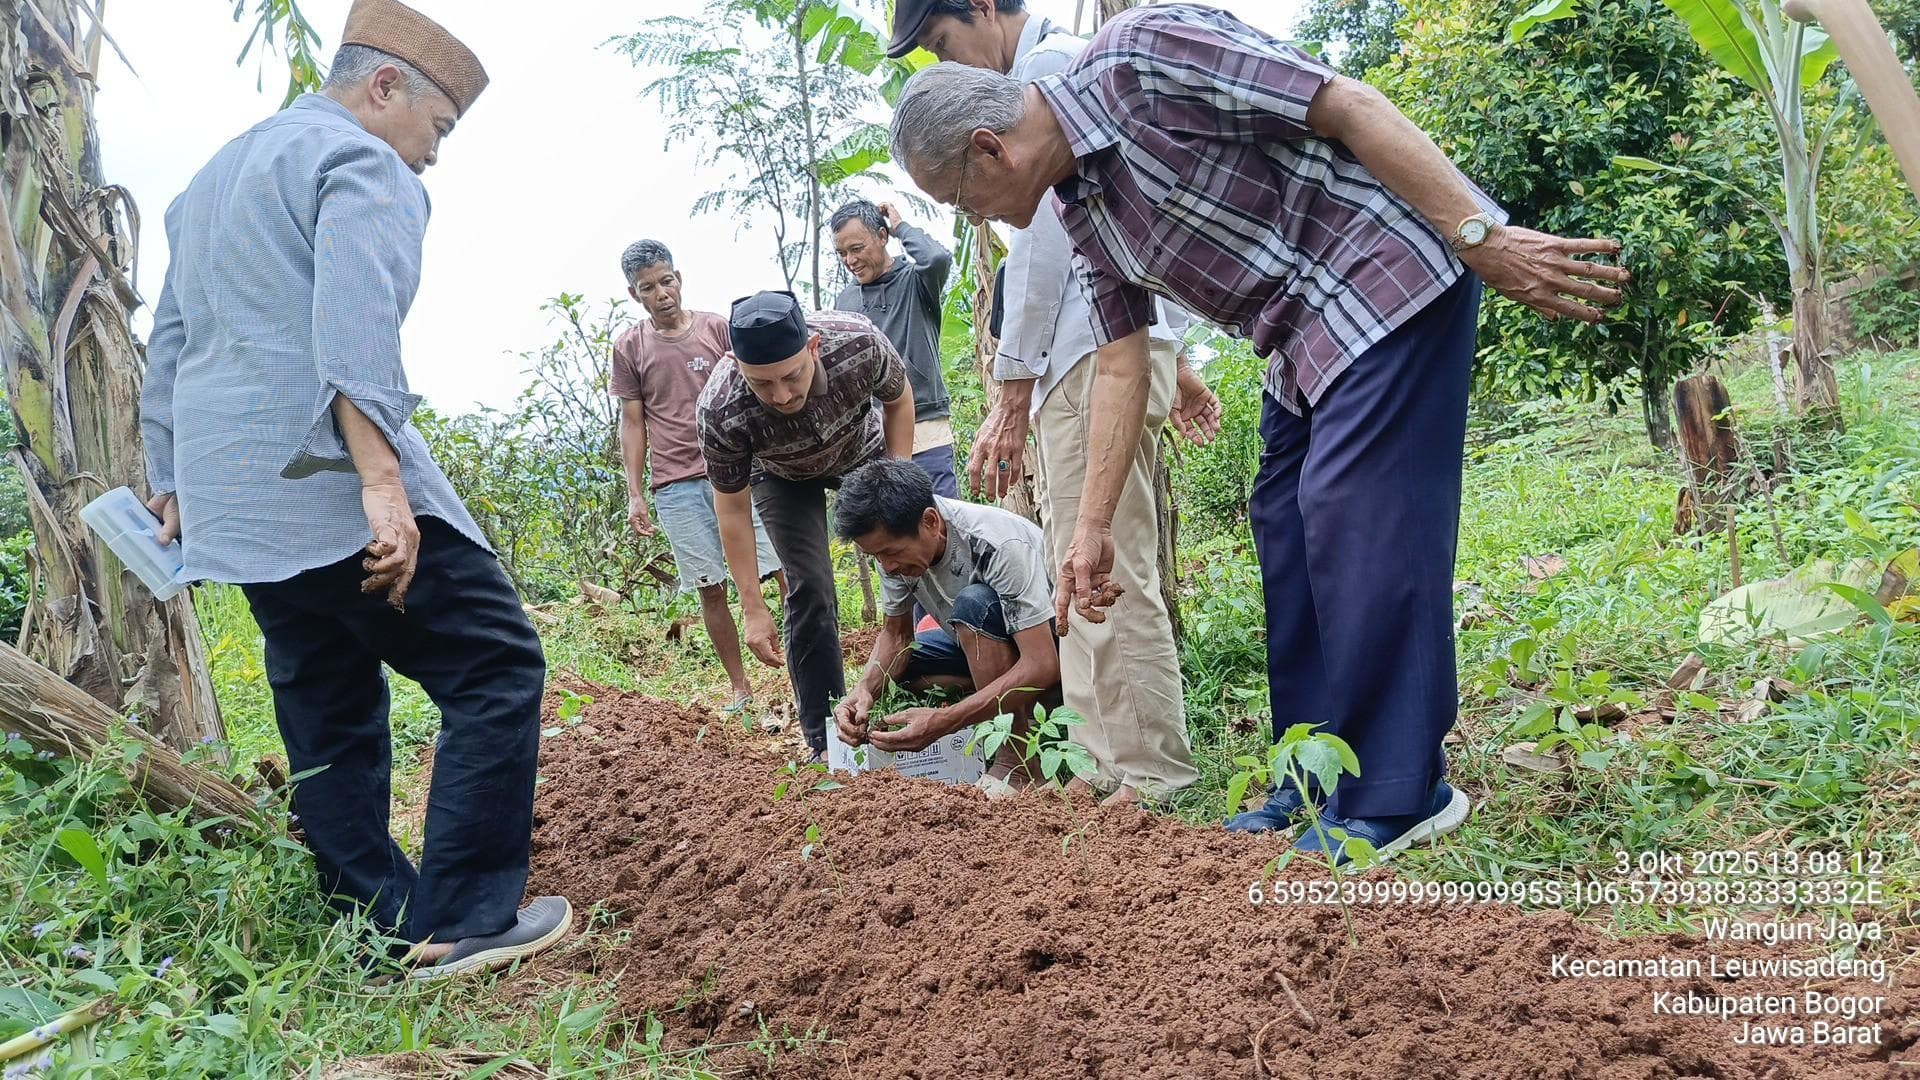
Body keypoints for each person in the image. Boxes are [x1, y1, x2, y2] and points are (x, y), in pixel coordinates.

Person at [887, 4, 1630, 860]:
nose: (974, 217)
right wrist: (1088, 530)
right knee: (1285, 524)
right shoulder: (1084, 208)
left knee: (1354, 516)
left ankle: (1400, 792)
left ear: (990, 148)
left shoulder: (1139, 54)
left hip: (1383, 278)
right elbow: (1125, 361)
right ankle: (1312, 774)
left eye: (960, 199)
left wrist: (1479, 235)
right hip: (1302, 341)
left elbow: (1345, 103)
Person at [138, 0, 570, 977]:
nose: (432, 154)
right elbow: (354, 320)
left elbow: (170, 344)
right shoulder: (362, 162)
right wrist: (382, 483)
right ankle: (462, 921)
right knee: (494, 665)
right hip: (326, 486)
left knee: (325, 701)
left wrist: (170, 479)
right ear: (385, 88)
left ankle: (379, 928)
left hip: (235, 507)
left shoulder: (211, 179)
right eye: (438, 128)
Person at [890, 0, 1225, 808]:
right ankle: (1109, 764)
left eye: (942, 43)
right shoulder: (1046, 75)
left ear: (978, 7)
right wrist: (1173, 356)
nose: (949, 66)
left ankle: (1150, 772)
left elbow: (1044, 250)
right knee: (1087, 569)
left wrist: (1010, 390)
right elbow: (1124, 243)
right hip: (1094, 356)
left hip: (1084, 364)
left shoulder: (1041, 80)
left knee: (1105, 565)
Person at [697, 291, 915, 759]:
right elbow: (732, 509)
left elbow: (898, 399)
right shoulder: (720, 407)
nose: (781, 395)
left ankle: (925, 694)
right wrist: (753, 607)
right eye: (762, 384)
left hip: (861, 451)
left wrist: (898, 484)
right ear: (737, 366)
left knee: (910, 557)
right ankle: (825, 740)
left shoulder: (858, 342)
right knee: (811, 587)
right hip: (781, 476)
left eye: (791, 375)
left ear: (813, 347)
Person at [612, 239, 787, 716]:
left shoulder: (716, 330)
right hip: (676, 483)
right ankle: (740, 690)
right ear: (635, 294)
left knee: (780, 569)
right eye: (649, 287)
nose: (662, 293)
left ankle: (800, 662)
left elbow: (755, 389)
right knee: (710, 585)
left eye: (666, 281)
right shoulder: (630, 346)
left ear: (679, 278)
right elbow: (633, 421)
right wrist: (635, 493)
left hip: (739, 470)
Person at [831, 458, 1061, 797]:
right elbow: (897, 637)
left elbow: (1042, 662)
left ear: (930, 521)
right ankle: (998, 694)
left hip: (1049, 647)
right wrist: (863, 690)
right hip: (978, 644)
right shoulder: (893, 554)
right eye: (876, 557)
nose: (887, 566)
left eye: (890, 553)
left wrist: (944, 721)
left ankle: (1019, 760)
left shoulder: (995, 544)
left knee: (973, 604)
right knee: (903, 668)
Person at [829, 199, 958, 498]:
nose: (850, 260)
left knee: (941, 521)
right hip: (873, 437)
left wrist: (901, 227)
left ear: (882, 237)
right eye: (842, 253)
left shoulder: (916, 280)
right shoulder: (845, 302)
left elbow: (937, 257)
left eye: (857, 249)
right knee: (888, 536)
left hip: (926, 426)